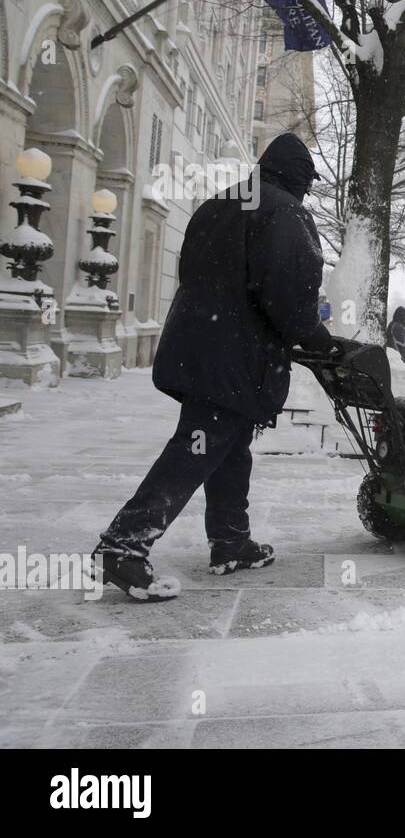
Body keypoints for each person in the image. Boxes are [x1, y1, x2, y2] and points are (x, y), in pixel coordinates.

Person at [93, 133, 336, 602]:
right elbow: (289, 296)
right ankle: (123, 544)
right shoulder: (285, 212)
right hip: (235, 359)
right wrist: (319, 340)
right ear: (300, 177)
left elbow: (195, 274)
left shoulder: (219, 203)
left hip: (198, 345)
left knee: (228, 443)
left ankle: (231, 541)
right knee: (197, 446)